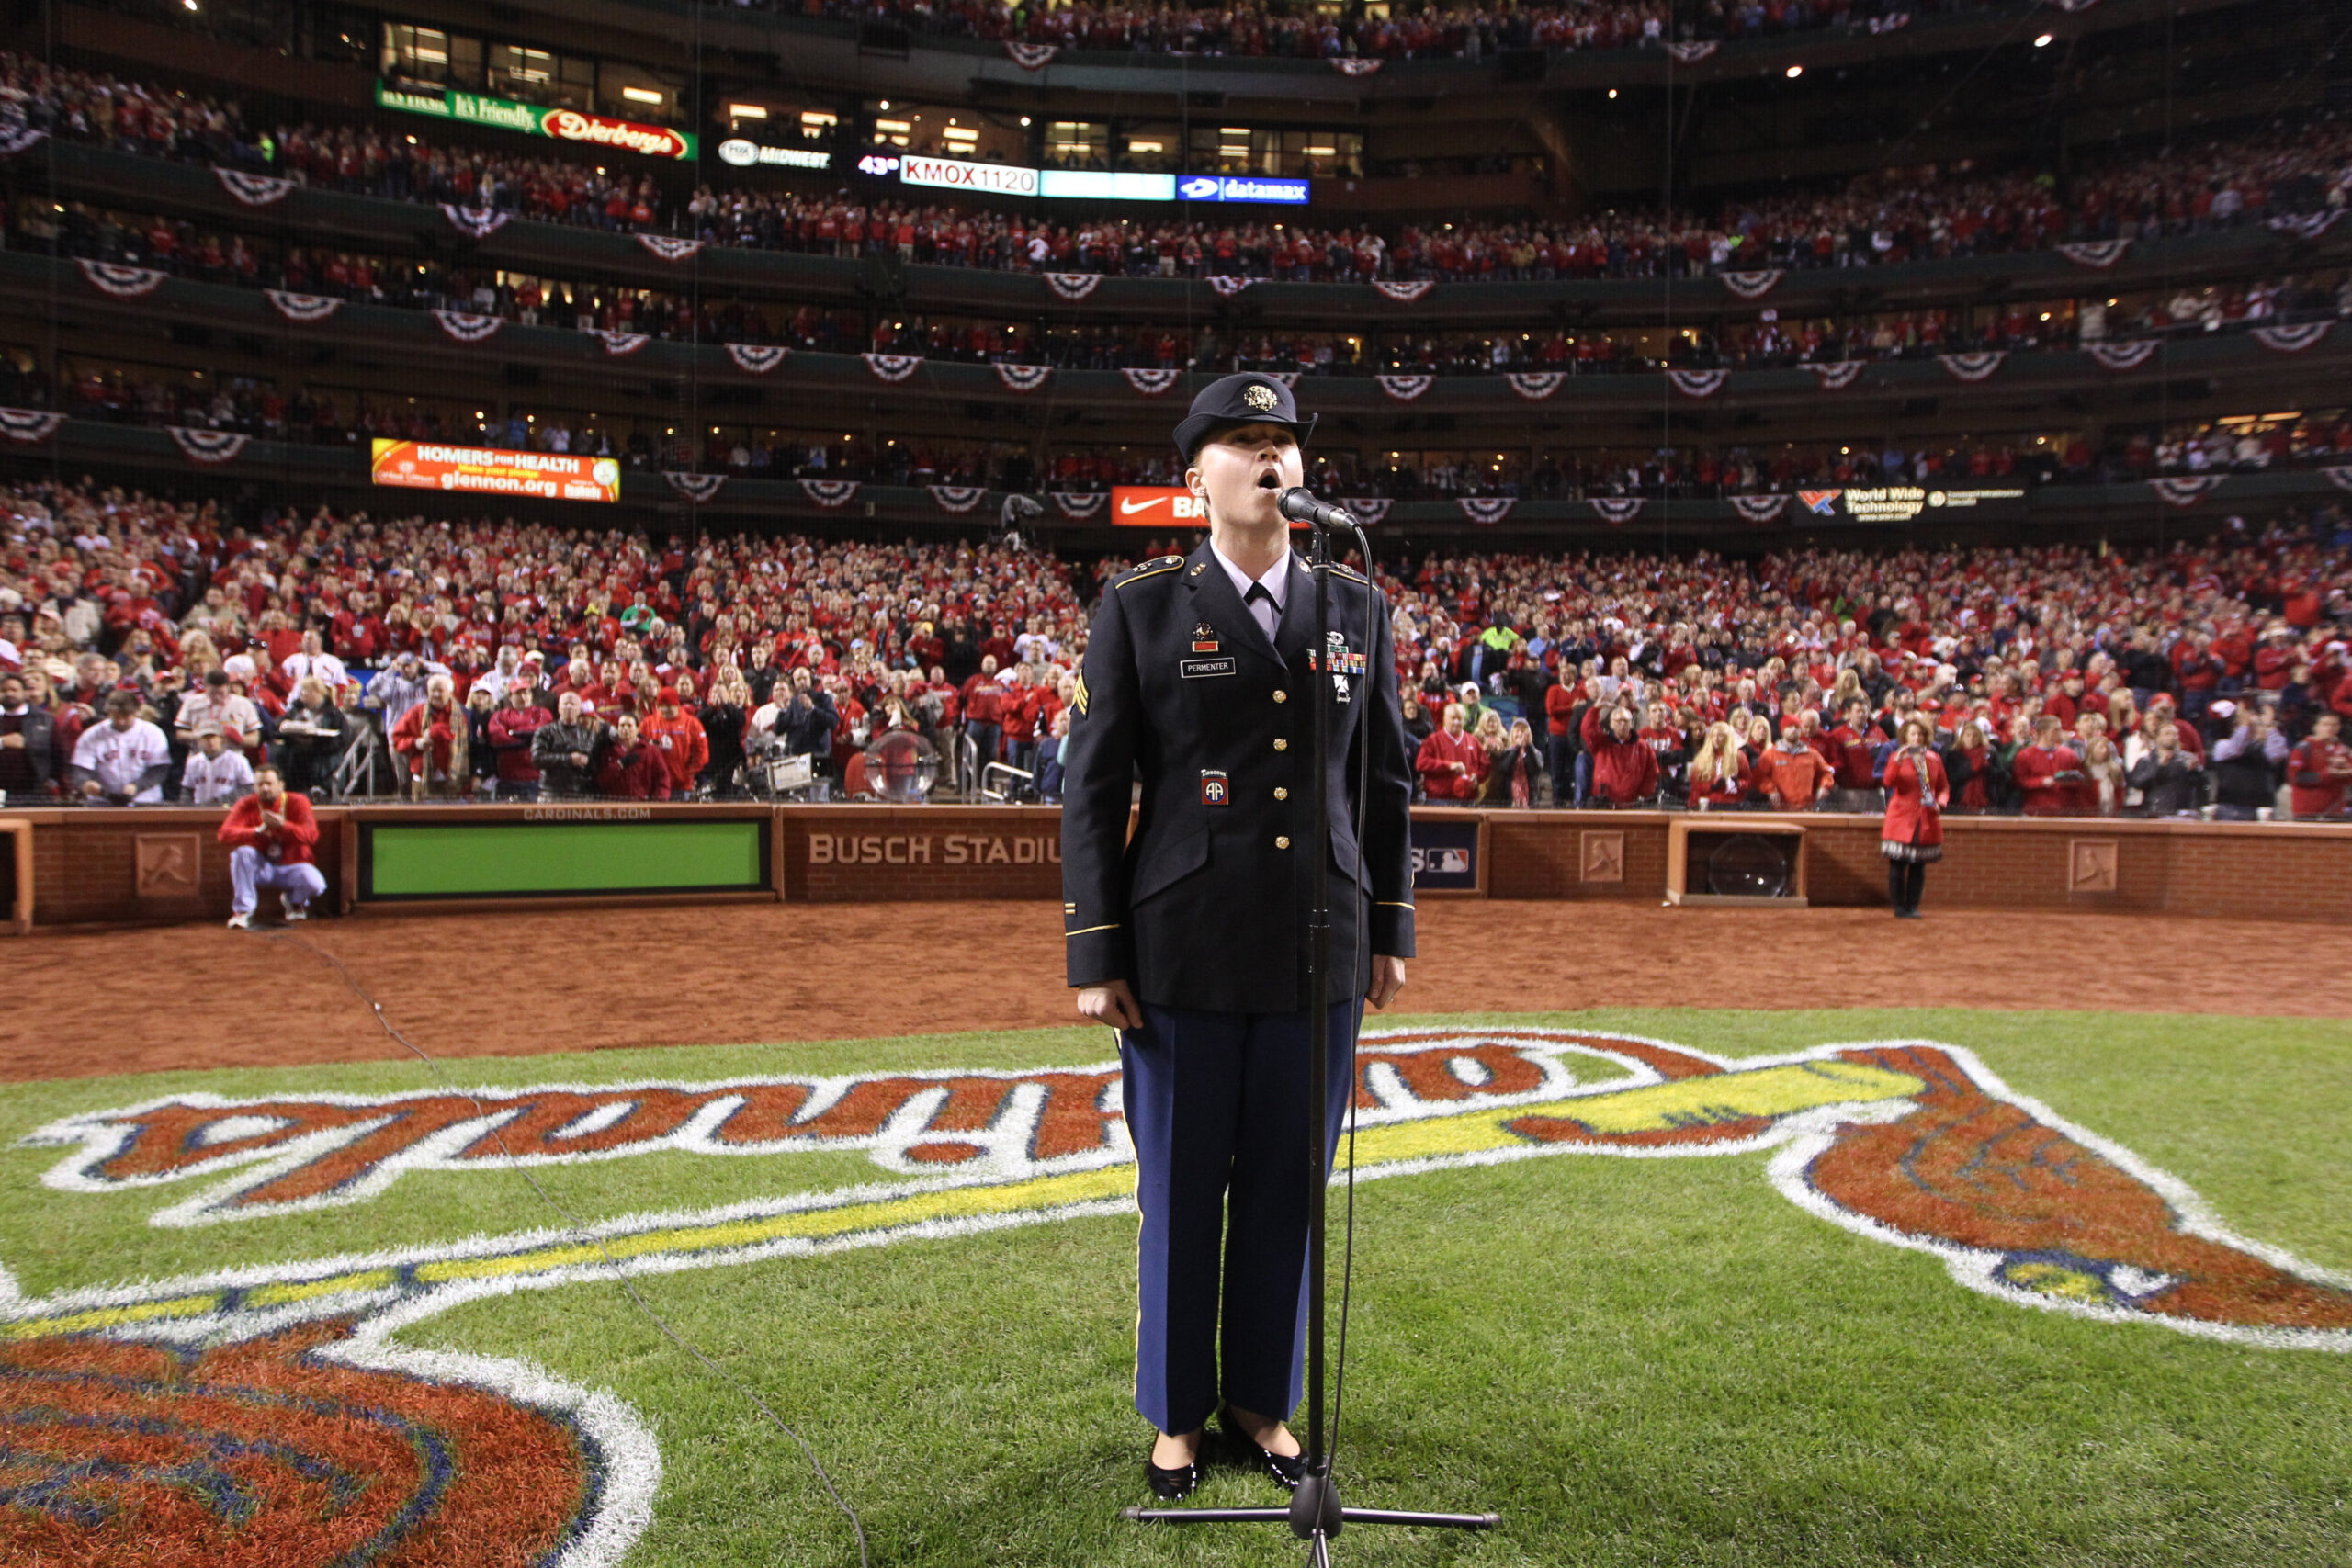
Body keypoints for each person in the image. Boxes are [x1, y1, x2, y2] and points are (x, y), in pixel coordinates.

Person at [1060, 374, 1412, 1504]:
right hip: (1182, 947)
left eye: (1283, 443)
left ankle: (1262, 1403)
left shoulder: (1358, 605)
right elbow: (1093, 786)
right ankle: (1175, 1413)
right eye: (1243, 443)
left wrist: (1391, 923)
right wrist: (1096, 947)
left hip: (1322, 946)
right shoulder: (1142, 607)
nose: (1270, 460)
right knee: (1179, 1188)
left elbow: (1387, 779)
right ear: (1195, 477)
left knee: (1283, 1188)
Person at [217, 762, 324, 930]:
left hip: (290, 866)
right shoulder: (246, 804)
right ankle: (243, 912)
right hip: (261, 867)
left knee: (316, 884)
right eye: (260, 784)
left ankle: (294, 902)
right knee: (241, 853)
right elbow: (224, 834)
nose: (265, 788)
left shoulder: (298, 801)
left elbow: (312, 836)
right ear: (254, 786)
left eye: (269, 783)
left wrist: (284, 826)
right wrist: (257, 832)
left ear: (281, 785)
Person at [1880, 716, 1949, 919]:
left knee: (1919, 867)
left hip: (1926, 818)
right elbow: (1889, 781)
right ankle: (1899, 906)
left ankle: (1913, 905)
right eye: (1913, 734)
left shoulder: (1935, 759)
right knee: (1897, 865)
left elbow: (1943, 786)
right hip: (1901, 818)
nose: (1917, 737)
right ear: (1905, 736)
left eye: (1920, 734)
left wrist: (1941, 803)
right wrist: (1896, 762)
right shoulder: (1897, 757)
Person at [69, 691, 171, 805]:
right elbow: (80, 768)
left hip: (145, 800)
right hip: (103, 800)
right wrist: (86, 783)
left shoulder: (152, 732)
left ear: (136, 712)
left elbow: (160, 768)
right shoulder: (92, 734)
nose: (121, 721)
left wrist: (138, 786)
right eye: (116, 716)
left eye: (126, 716)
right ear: (109, 713)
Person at [390, 673, 469, 799]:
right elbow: (396, 740)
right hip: (422, 780)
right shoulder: (416, 712)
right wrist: (416, 742)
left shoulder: (462, 715)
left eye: (440, 690)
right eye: (433, 690)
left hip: (452, 780)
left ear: (450, 692)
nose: (436, 694)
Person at [531, 691, 606, 799]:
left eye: (573, 704)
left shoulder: (589, 734)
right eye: (565, 704)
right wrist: (569, 759)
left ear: (579, 709)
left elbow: (595, 764)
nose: (569, 707)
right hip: (551, 792)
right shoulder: (545, 732)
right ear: (559, 708)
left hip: (579, 791)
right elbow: (537, 759)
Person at [641, 686, 709, 798]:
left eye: (668, 706)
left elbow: (702, 752)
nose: (664, 710)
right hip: (655, 784)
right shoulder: (648, 723)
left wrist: (688, 772)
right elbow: (639, 748)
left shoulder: (692, 723)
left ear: (677, 705)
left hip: (681, 785)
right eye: (660, 706)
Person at [489, 682, 552, 800]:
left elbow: (541, 732)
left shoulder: (543, 713)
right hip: (508, 778)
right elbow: (498, 737)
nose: (523, 697)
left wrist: (513, 733)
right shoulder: (499, 715)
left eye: (526, 693)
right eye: (518, 693)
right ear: (510, 697)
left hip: (535, 778)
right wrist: (526, 741)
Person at [0, 671, 56, 802]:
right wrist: (2, 742)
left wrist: (53, 781)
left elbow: (58, 752)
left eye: (14, 689)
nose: (9, 693)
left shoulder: (45, 719)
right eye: (4, 690)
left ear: (25, 693)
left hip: (34, 789)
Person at [1414, 701, 1486, 802]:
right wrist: (1448, 765)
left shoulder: (1473, 740)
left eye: (1459, 719)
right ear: (1444, 719)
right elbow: (1421, 763)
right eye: (1453, 718)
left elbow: (1485, 765)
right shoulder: (1432, 740)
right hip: (1439, 799)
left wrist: (1477, 777)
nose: (1456, 722)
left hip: (1467, 799)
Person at [2286, 713, 2351, 819]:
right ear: (2316, 727)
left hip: (2336, 812)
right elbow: (2295, 777)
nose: (2330, 728)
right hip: (2308, 812)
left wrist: (2346, 770)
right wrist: (2326, 774)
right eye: (2325, 724)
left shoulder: (2343, 750)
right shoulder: (2304, 748)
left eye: (2334, 725)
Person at [594, 713, 673, 800]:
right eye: (622, 725)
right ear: (617, 729)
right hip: (614, 803)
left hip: (642, 802)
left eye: (629, 725)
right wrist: (619, 764)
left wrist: (660, 799)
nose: (625, 729)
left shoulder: (650, 751)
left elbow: (662, 777)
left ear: (637, 729)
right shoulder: (607, 750)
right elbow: (600, 779)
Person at [181, 722, 255, 806]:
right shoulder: (193, 762)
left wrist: (221, 800)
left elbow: (249, 788)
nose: (210, 741)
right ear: (199, 741)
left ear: (222, 739)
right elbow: (187, 790)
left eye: (213, 737)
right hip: (199, 810)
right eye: (205, 738)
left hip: (228, 810)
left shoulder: (238, 760)